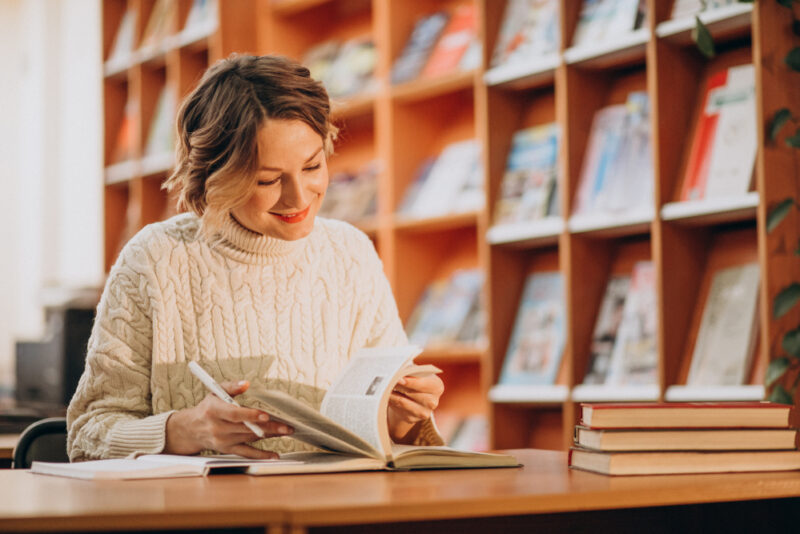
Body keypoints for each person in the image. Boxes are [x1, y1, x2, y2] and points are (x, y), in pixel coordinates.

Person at [67, 54, 444, 461]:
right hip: (208, 502)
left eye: (312, 166)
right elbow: (87, 436)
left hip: (334, 497)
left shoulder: (351, 254)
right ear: (216, 175)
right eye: (268, 180)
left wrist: (402, 417)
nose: (298, 197)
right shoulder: (154, 260)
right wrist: (183, 430)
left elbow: (384, 430)